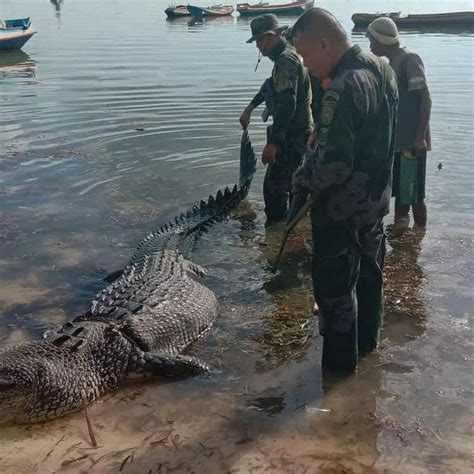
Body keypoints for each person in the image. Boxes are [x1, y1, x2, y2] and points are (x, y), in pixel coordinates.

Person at [290, 8, 399, 372]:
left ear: (324, 43)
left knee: (336, 295)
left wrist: (300, 181)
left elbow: (334, 167)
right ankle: (368, 354)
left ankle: (338, 380)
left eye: (305, 55)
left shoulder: (342, 87)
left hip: (342, 213)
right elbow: (373, 133)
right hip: (375, 203)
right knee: (370, 280)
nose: (305, 64)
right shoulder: (381, 68)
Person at [240, 14, 313, 223]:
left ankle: (277, 236)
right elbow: (270, 87)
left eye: (264, 39)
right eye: (258, 41)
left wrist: (273, 143)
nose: (260, 46)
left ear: (278, 34)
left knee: (274, 191)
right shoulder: (288, 55)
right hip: (299, 133)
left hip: (292, 136)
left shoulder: (285, 61)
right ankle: (294, 232)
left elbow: (287, 103)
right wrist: (250, 108)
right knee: (293, 187)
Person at [367, 17, 432, 228]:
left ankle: (420, 234)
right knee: (402, 193)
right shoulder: (389, 64)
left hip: (412, 141)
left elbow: (425, 99)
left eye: (371, 40)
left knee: (414, 195)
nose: (370, 45)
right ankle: (402, 235)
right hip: (398, 141)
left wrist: (420, 137)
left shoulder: (409, 60)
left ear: (381, 39)